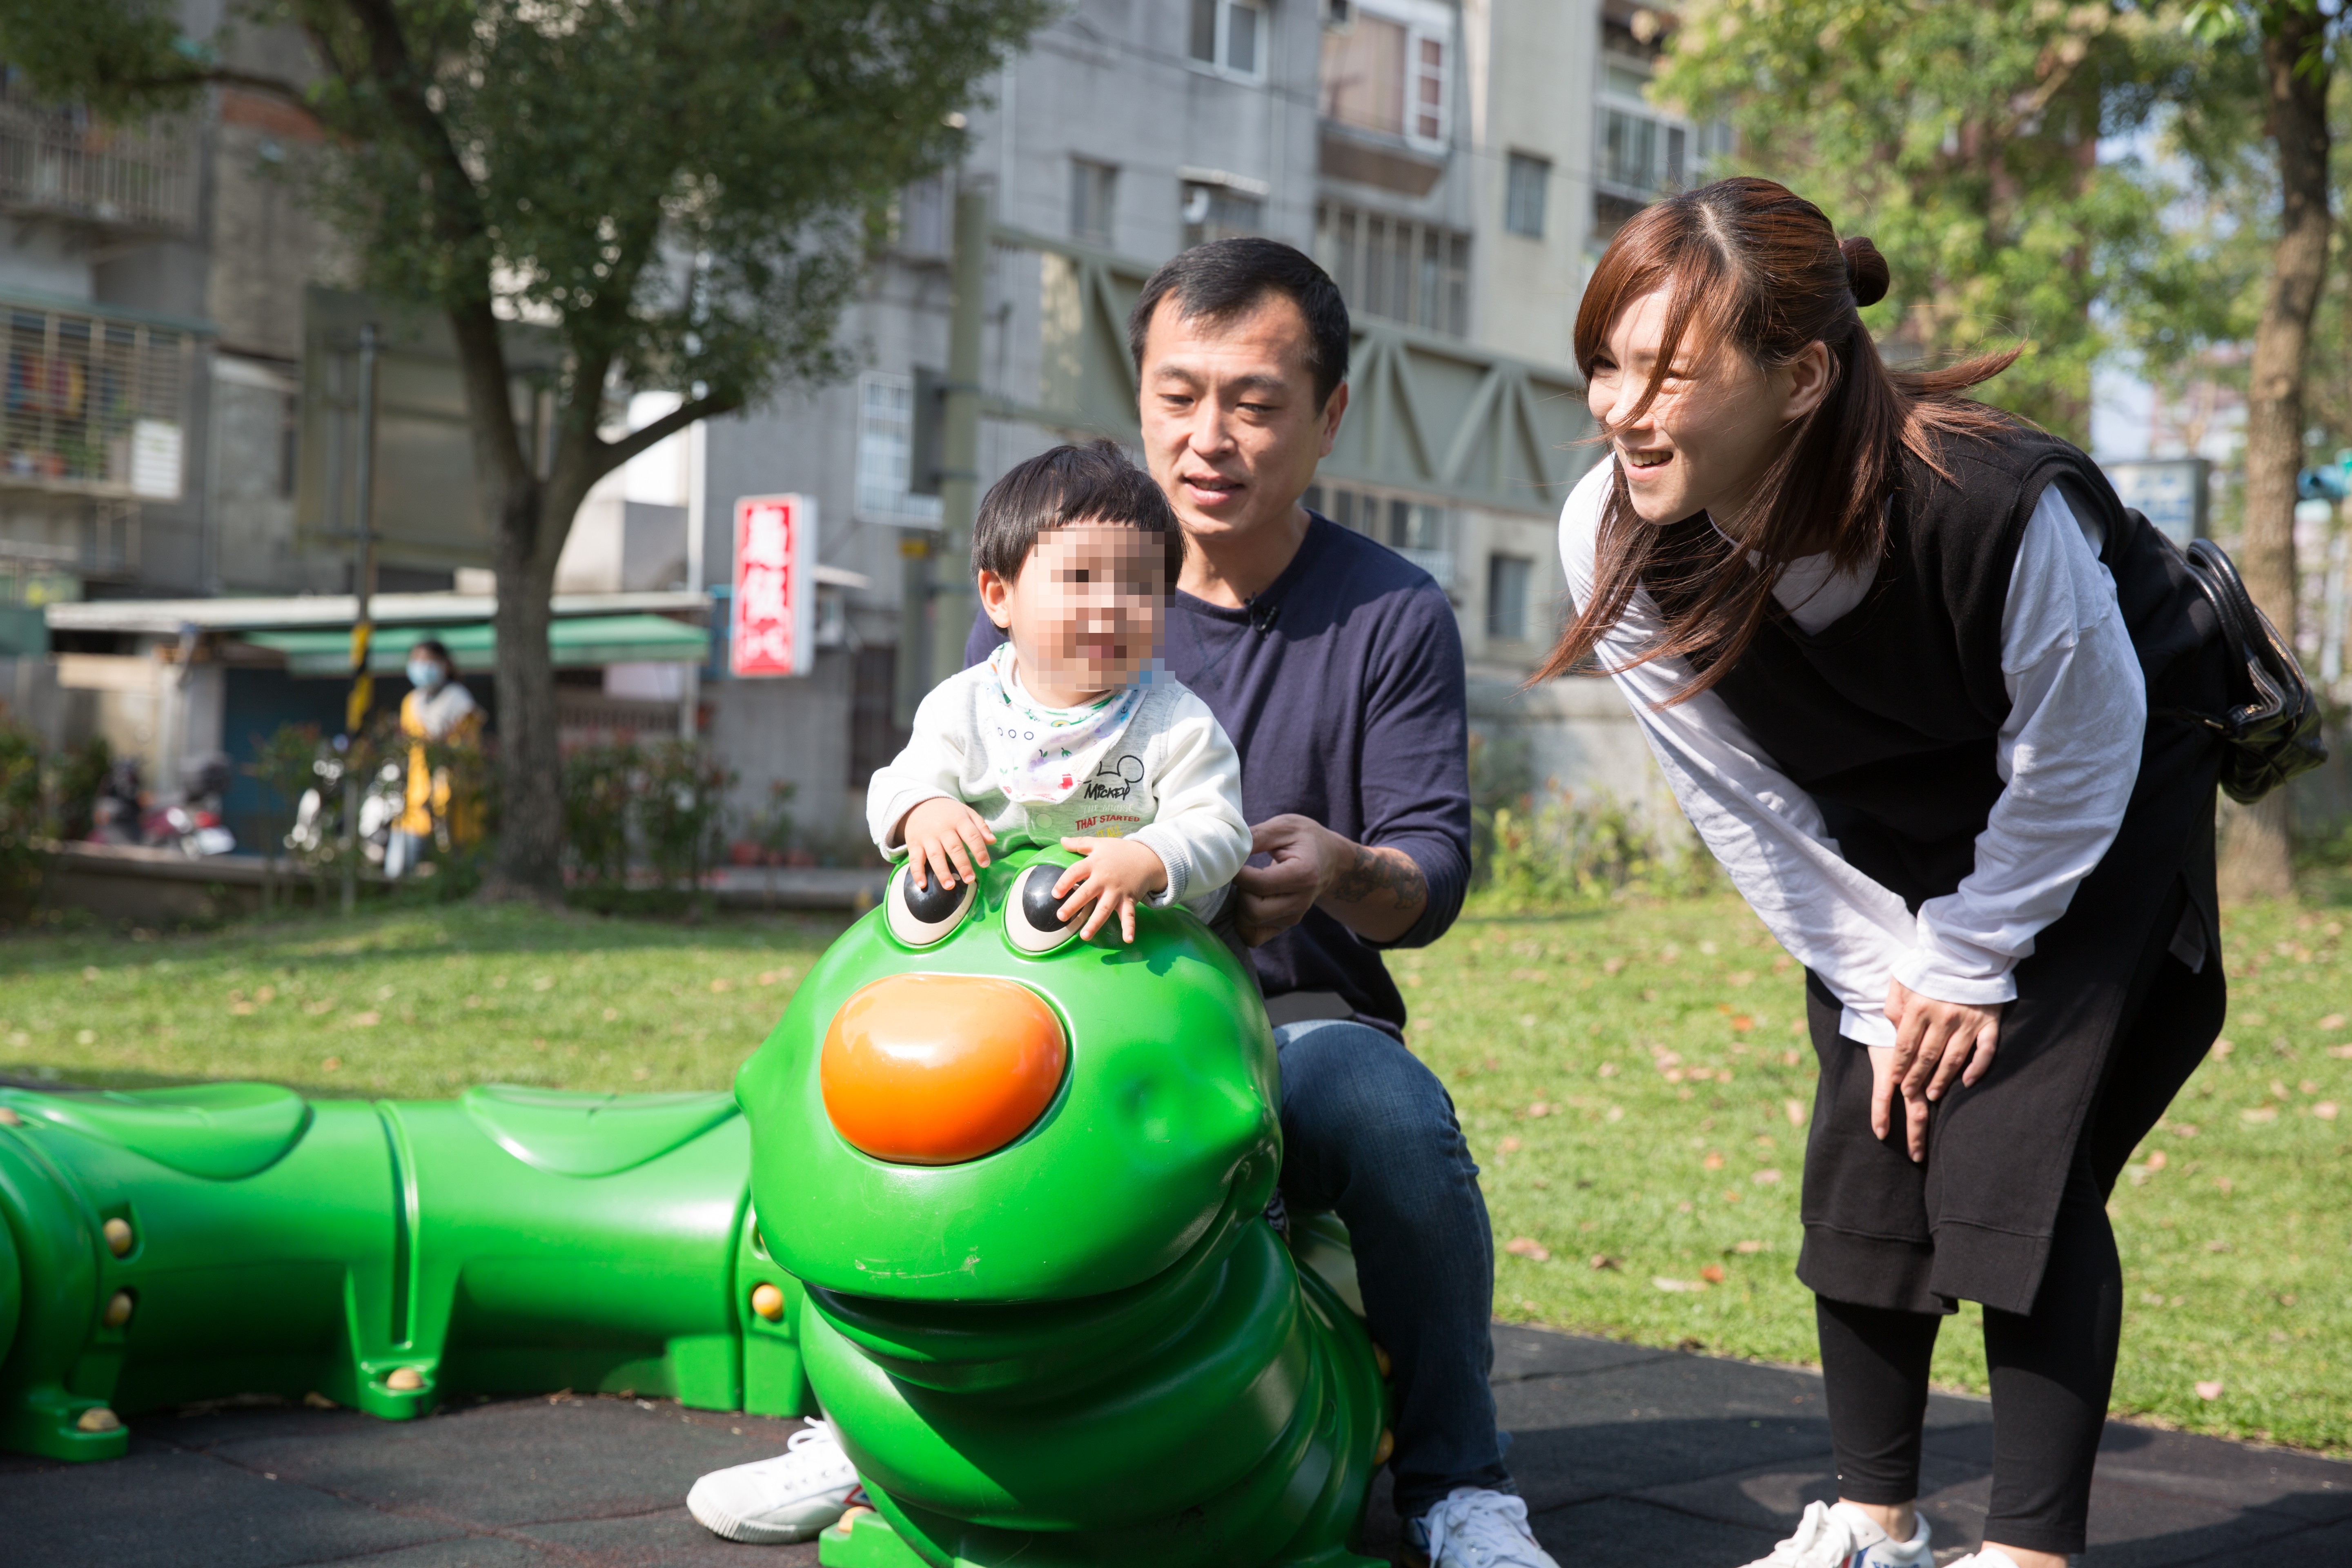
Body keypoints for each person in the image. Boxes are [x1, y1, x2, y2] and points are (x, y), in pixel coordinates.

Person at [689, 238, 1554, 1568]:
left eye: (1255, 402)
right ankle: (851, 1435)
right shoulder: (1048, 589)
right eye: (1177, 396)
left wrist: (1336, 867)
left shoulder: (1390, 614)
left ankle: (1457, 1482)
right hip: (1050, 996)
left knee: (1388, 1112)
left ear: (1327, 417)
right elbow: (941, 784)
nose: (1209, 437)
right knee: (854, 1083)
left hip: (1280, 1017)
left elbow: (1428, 877)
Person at [1553, 178, 2229, 1568]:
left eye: (1668, 374)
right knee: (1873, 1137)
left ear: (1801, 376)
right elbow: (1739, 799)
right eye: (1607, 364)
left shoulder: (1986, 503)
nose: (1621, 408)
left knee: (2009, 1164)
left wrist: (1975, 959)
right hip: (1878, 838)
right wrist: (1885, 984)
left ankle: (2031, 1553)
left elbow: (2086, 746)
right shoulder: (1615, 532)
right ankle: (1874, 1525)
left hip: (2091, 814)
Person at [866, 440, 1251, 942]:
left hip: (1147, 947)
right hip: (988, 942)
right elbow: (895, 786)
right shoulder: (962, 707)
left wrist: (1149, 856)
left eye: (1138, 586)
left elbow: (1219, 828)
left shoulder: (1177, 723)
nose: (1110, 608)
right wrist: (923, 811)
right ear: (1000, 598)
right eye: (1079, 579)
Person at [385, 639, 481, 881]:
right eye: (416, 661)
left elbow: (470, 752)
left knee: (455, 863)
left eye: (428, 661)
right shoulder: (412, 702)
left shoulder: (461, 703)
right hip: (416, 796)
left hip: (453, 797)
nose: (421, 667)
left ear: (445, 665)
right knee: (402, 866)